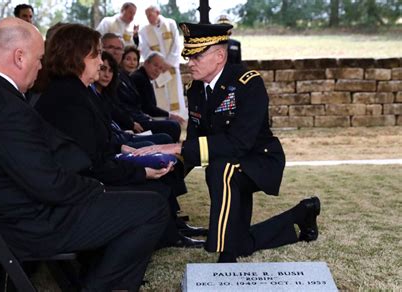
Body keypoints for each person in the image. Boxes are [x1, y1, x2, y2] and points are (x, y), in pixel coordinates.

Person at [0, 17, 168, 291]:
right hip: (33, 224)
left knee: (136, 199)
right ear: (19, 57)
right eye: (39, 58)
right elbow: (49, 184)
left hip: (9, 216)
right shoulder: (6, 108)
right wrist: (97, 187)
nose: (41, 66)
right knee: (153, 208)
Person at [133, 22, 321, 263]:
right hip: (228, 160)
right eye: (188, 56)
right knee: (242, 240)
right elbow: (195, 140)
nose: (190, 62)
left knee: (220, 168)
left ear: (219, 56)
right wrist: (168, 166)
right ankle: (300, 215)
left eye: (197, 56)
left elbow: (239, 143)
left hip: (258, 159)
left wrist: (178, 147)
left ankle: (224, 251)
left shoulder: (248, 83)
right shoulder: (195, 88)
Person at [35, 23, 202, 248]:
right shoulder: (70, 98)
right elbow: (92, 164)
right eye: (96, 54)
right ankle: (165, 237)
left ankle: (171, 232)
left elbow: (97, 143)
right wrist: (140, 170)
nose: (101, 61)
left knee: (160, 170)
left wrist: (127, 154)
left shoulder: (77, 91)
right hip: (82, 189)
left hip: (92, 172)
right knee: (156, 186)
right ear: (78, 57)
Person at [102, 33, 182, 142]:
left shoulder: (124, 76)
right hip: (126, 125)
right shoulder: (135, 77)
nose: (115, 52)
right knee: (171, 129)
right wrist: (131, 123)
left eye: (118, 49)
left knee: (172, 128)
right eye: (111, 47)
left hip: (134, 120)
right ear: (146, 63)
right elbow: (117, 106)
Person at [96, 51, 173, 149]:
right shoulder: (137, 77)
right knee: (168, 131)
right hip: (120, 135)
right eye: (103, 69)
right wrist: (130, 125)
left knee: (166, 136)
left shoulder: (119, 83)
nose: (107, 75)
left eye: (110, 71)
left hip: (124, 132)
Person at [139, 5, 186, 114]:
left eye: (150, 14)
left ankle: (179, 118)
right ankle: (164, 117)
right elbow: (144, 49)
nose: (148, 17)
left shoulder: (170, 24)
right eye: (146, 15)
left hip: (171, 67)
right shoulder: (144, 30)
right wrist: (158, 64)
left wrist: (168, 63)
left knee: (175, 95)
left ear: (157, 12)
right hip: (157, 69)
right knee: (160, 95)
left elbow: (176, 44)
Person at [130, 52, 185, 125]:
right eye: (155, 65)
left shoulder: (143, 77)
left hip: (139, 118)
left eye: (160, 68)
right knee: (173, 125)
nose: (157, 70)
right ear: (146, 63)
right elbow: (148, 108)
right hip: (135, 121)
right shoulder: (140, 78)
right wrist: (170, 115)